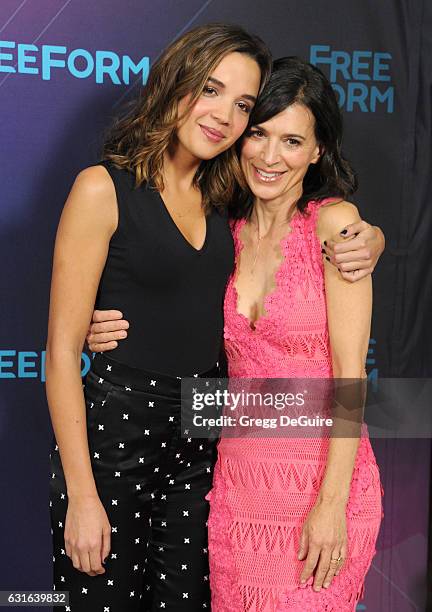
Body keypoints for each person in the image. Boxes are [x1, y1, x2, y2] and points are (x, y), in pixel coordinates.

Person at [92, 57, 384, 611]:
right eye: (259, 135)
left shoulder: (333, 226)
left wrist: (331, 505)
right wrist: (96, 322)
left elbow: (350, 379)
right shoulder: (218, 228)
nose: (271, 157)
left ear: (318, 151)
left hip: (322, 491)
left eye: (293, 141)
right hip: (235, 491)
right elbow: (162, 299)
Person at [46, 23, 272, 612]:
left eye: (243, 104)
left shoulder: (232, 200)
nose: (225, 115)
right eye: (211, 89)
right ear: (175, 85)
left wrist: (368, 239)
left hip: (203, 435)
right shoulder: (103, 189)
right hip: (113, 438)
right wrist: (81, 494)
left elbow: (320, 213)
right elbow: (63, 353)